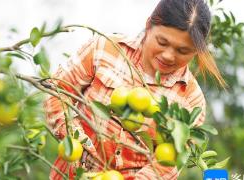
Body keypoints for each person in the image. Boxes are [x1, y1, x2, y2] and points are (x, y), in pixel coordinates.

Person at [44, 0, 226, 179]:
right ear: (148, 26)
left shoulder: (190, 100)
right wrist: (76, 140)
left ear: (197, 51)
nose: (168, 55)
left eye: (183, 51)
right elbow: (57, 92)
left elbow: (165, 167)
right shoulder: (105, 49)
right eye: (162, 42)